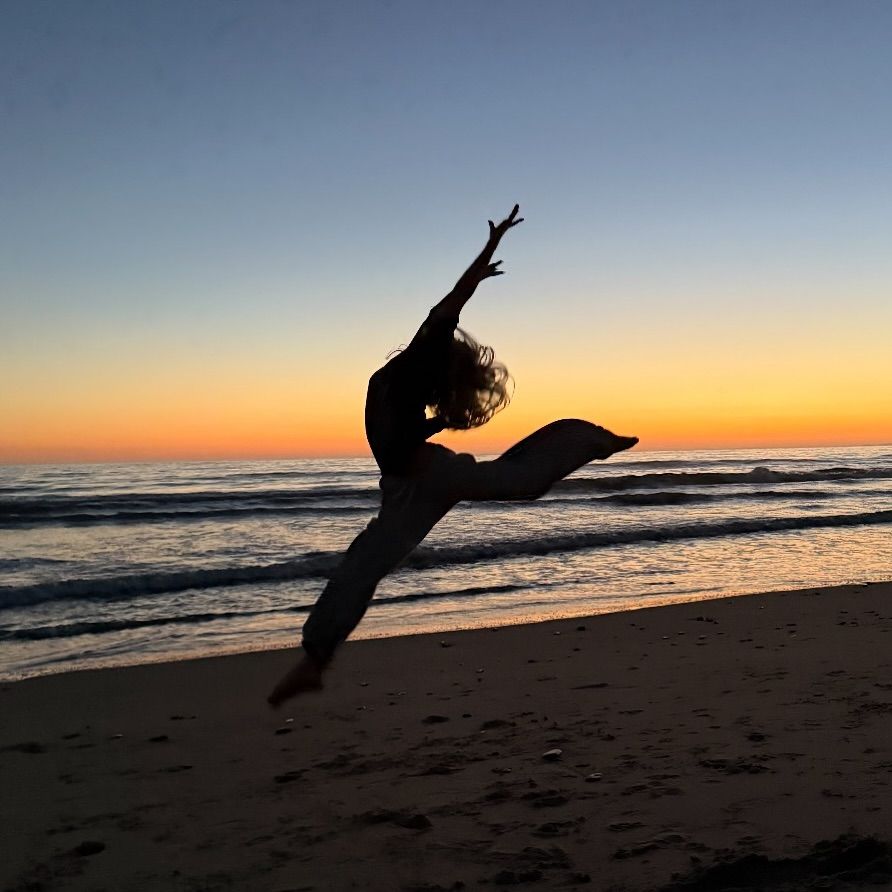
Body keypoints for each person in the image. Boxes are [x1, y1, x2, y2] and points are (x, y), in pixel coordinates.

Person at [268, 205, 637, 705]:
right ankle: (315, 660)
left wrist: (484, 259)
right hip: (403, 487)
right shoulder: (418, 359)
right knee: (364, 565)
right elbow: (448, 311)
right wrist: (486, 254)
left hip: (427, 475)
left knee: (520, 483)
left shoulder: (425, 355)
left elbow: (452, 306)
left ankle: (590, 438)